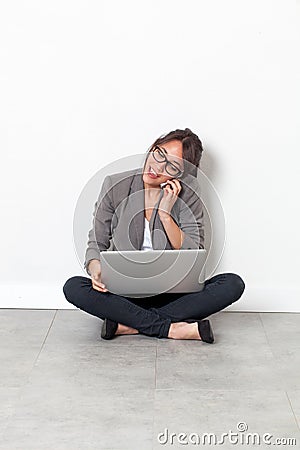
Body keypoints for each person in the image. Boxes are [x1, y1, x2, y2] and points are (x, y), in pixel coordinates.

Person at [63, 128, 245, 343]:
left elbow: (194, 252)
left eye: (171, 166)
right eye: (159, 154)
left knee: (232, 283)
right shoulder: (115, 184)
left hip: (173, 294)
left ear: (181, 174)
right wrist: (96, 269)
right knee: (74, 287)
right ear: (152, 148)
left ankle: (127, 324)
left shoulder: (189, 192)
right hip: (124, 294)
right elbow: (96, 242)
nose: (157, 166)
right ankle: (173, 328)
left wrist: (166, 215)